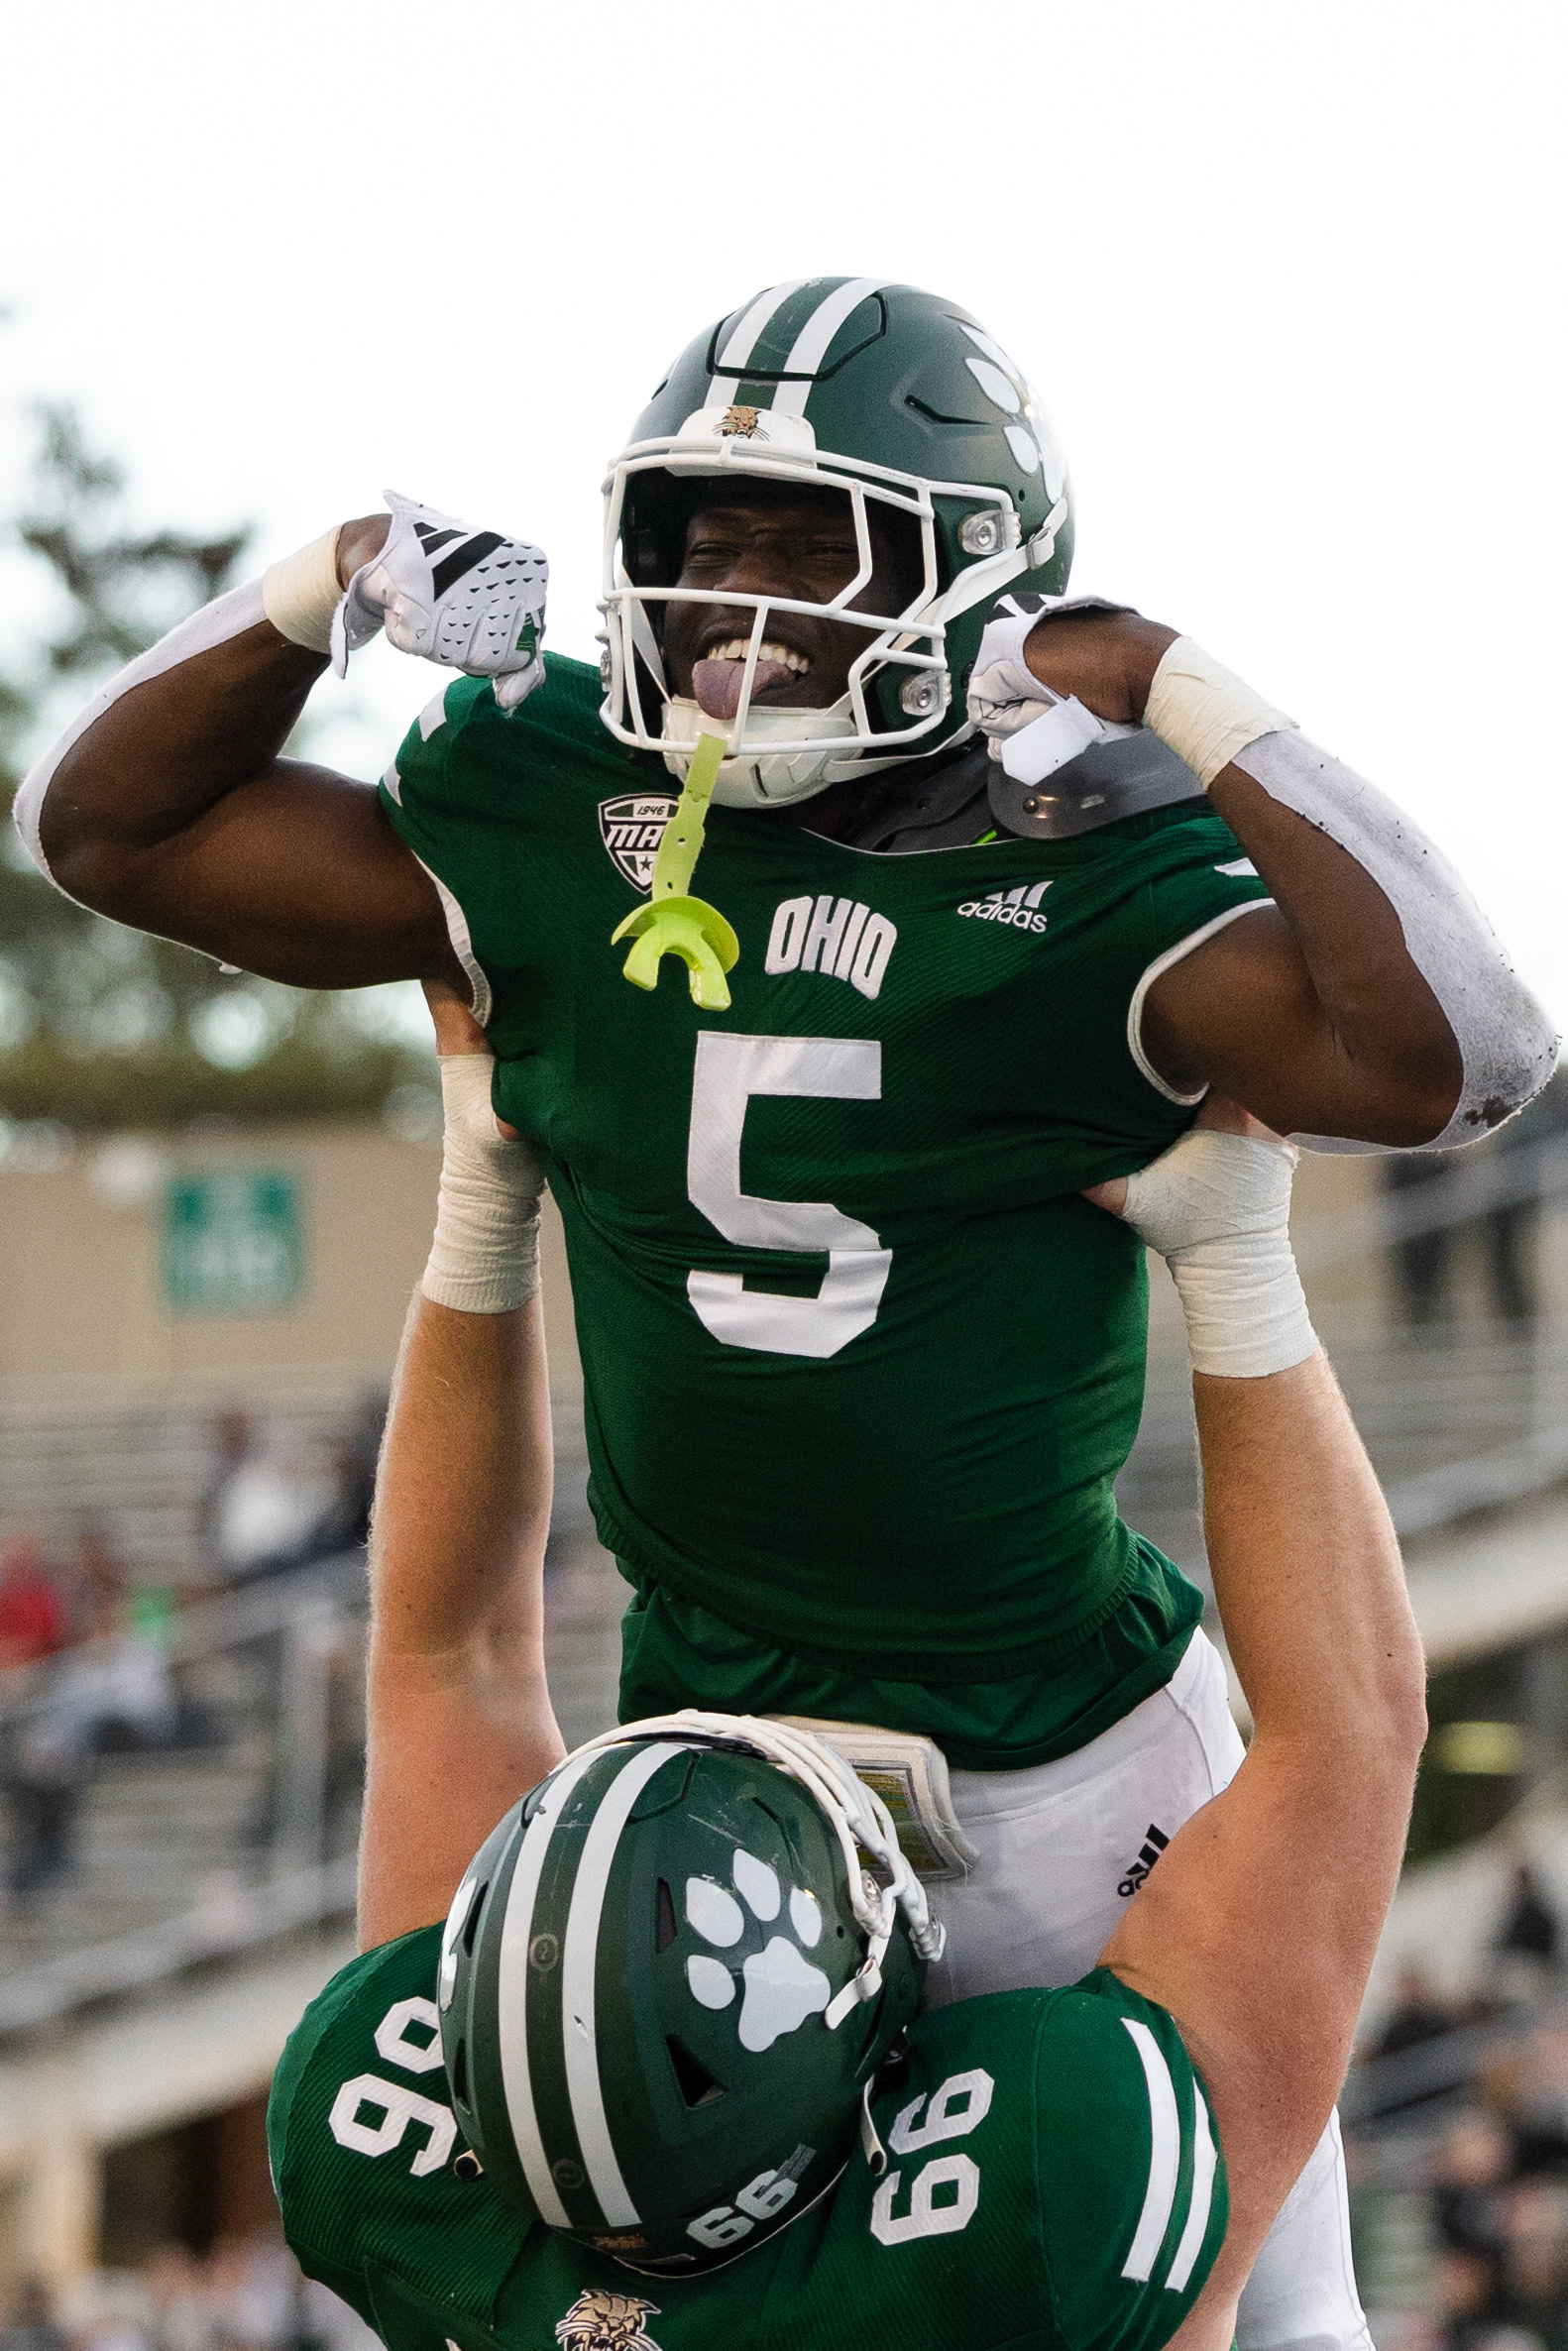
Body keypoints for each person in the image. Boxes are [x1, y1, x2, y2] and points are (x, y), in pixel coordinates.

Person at [18, 280, 1546, 2343]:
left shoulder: (1076, 874)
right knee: (1131, 2268)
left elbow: (1464, 1052)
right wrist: (334, 581)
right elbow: (114, 830)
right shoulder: (574, 798)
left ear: (972, 571)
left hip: (1044, 1778)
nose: (732, 603)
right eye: (697, 537)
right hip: (709, 1756)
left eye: (802, 542)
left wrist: (1148, 683)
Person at [268, 1101, 1426, 2351]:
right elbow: (1349, 1727)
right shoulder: (1043, 2211)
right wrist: (1238, 1257)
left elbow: (449, 1656)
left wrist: (481, 1204)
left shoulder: (388, 2159)